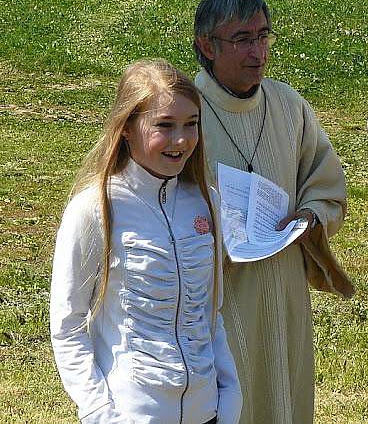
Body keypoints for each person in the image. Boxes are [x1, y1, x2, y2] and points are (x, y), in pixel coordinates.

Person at [192, 0, 354, 424]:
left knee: (285, 393)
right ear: (206, 45)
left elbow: (325, 182)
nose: (258, 51)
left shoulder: (288, 106)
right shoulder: (186, 113)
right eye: (242, 39)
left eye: (263, 36)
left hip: (283, 282)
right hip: (220, 286)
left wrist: (309, 217)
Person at [50, 60, 242, 424]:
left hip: (208, 413)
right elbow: (68, 326)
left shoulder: (206, 202)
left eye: (191, 124)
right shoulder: (95, 208)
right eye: (164, 126)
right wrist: (100, 413)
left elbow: (209, 313)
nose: (181, 140)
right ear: (127, 129)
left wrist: (230, 397)